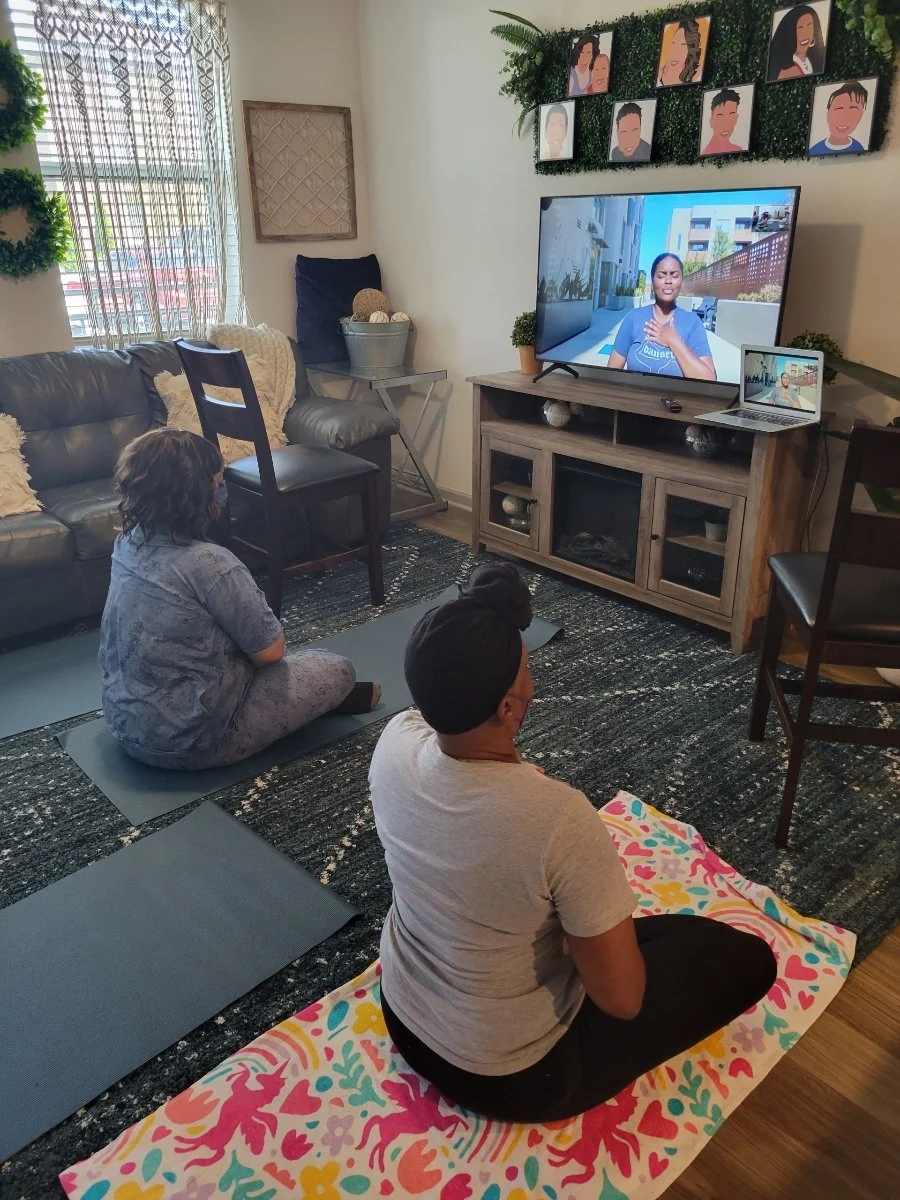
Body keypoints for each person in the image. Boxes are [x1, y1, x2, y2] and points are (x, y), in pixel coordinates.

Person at [369, 563, 777, 1122]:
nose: (531, 682)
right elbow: (622, 1001)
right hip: (513, 1074)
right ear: (508, 707)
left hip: (403, 1014)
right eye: (527, 670)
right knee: (747, 959)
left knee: (680, 934)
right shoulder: (557, 817)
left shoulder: (393, 742)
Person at [99, 428, 381, 771]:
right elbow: (270, 652)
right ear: (196, 494)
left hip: (124, 725)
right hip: (196, 741)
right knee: (337, 668)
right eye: (218, 483)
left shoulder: (127, 542)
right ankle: (317, 705)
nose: (222, 491)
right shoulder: (211, 563)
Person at [608, 253, 716, 380]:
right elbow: (610, 375)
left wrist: (673, 341)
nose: (668, 281)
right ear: (653, 281)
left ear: (681, 281)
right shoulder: (634, 318)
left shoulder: (692, 323)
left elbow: (709, 380)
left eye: (674, 275)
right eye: (661, 276)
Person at [768, 4, 826, 81]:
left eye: (809, 26)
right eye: (800, 28)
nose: (805, 33)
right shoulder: (786, 72)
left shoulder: (817, 61)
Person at [809, 80, 869, 155]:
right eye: (839, 109)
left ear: (860, 116)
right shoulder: (815, 150)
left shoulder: (859, 147)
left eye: (853, 110)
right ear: (828, 115)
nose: (844, 118)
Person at [658, 18, 703, 87]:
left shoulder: (697, 74)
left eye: (683, 45)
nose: (675, 52)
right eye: (673, 43)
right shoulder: (661, 71)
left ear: (691, 50)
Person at [703, 87, 745, 155]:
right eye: (720, 117)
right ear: (711, 122)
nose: (725, 125)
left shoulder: (737, 149)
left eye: (731, 116)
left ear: (736, 119)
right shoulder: (707, 152)